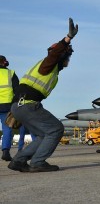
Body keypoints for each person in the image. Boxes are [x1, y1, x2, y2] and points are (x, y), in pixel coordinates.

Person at [8, 18, 78, 173]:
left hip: (19, 105)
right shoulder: (48, 64)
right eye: (68, 57)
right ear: (62, 56)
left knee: (42, 135)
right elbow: (54, 54)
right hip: (27, 104)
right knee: (56, 129)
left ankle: (18, 161)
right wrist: (68, 38)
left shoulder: (49, 68)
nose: (69, 60)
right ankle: (38, 162)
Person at [0, 55, 19, 161]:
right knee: (7, 129)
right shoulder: (10, 73)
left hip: (6, 106)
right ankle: (6, 152)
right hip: (7, 106)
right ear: (4, 62)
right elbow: (17, 90)